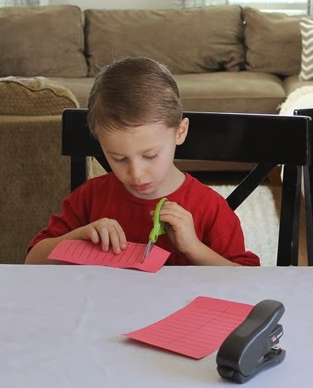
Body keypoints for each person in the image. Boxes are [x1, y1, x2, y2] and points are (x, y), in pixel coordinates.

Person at [26, 57, 259, 266]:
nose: (136, 174)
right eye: (118, 158)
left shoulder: (209, 208)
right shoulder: (90, 198)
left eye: (150, 155)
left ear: (180, 132)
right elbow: (32, 260)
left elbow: (246, 282)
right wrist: (77, 237)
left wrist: (194, 248)